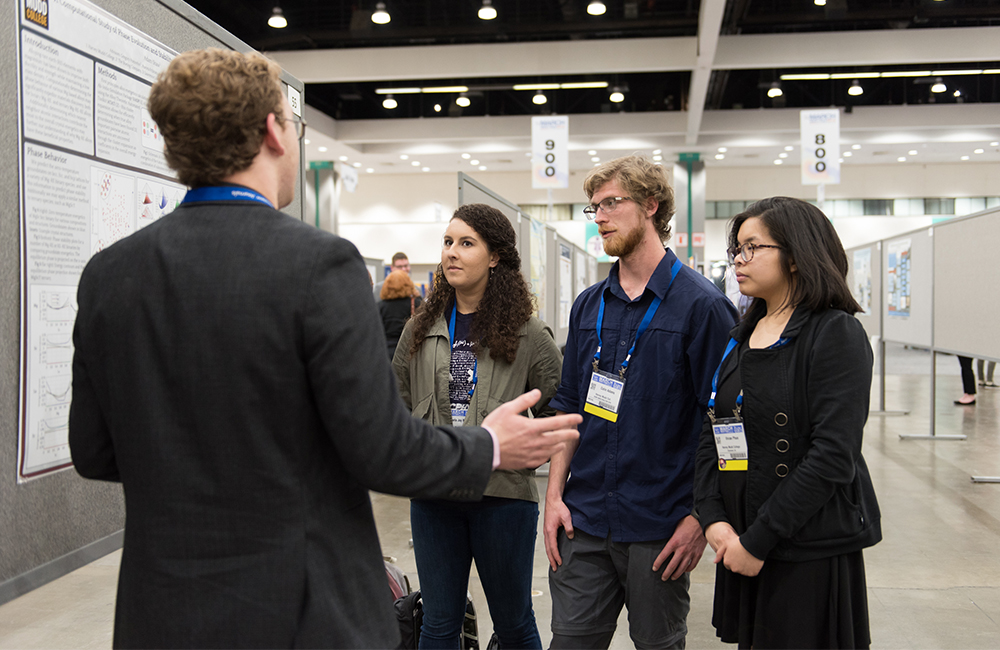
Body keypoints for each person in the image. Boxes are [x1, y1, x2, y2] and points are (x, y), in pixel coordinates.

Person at [68, 48, 581, 650]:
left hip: (160, 612)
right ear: (270, 131)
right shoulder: (318, 266)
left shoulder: (110, 274)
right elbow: (380, 450)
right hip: (297, 611)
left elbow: (95, 452)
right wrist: (490, 444)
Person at [543, 155, 738, 649]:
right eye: (594, 208)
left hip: (660, 529)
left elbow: (727, 423)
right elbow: (569, 407)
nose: (601, 217)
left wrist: (701, 519)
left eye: (611, 203)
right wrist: (552, 499)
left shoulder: (703, 307)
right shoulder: (589, 305)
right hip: (583, 524)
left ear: (651, 205)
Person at [693, 196, 882, 649]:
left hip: (801, 547)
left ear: (796, 256)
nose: (739, 259)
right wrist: (713, 518)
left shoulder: (835, 332)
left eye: (753, 247)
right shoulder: (741, 335)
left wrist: (758, 541)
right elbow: (713, 428)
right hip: (739, 540)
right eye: (736, 249)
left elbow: (832, 456)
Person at [392, 204, 563, 649]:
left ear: (494, 257)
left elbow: (556, 413)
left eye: (466, 243)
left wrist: (528, 452)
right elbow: (398, 404)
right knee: (438, 623)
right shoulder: (419, 328)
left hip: (502, 498)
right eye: (448, 242)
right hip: (434, 496)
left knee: (514, 624)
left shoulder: (527, 332)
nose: (451, 252)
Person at [380, 268, 423, 359]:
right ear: (408, 284)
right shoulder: (416, 303)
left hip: (385, 351)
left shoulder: (380, 306)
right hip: (408, 351)